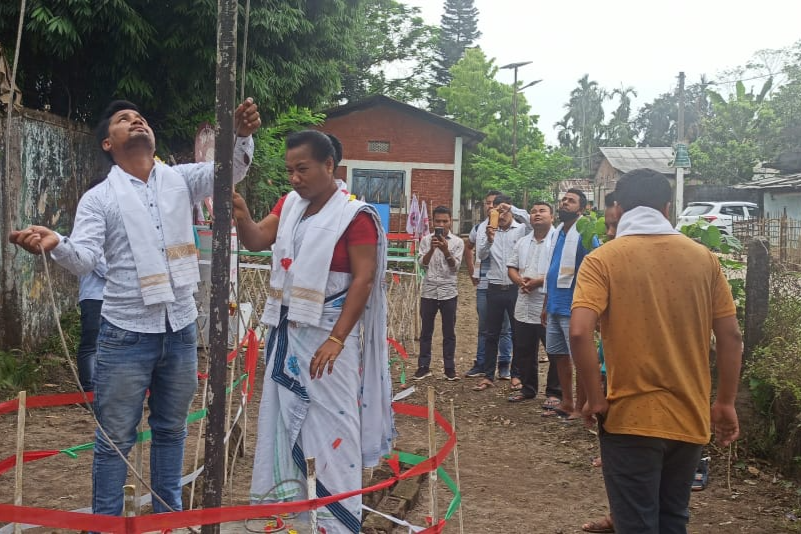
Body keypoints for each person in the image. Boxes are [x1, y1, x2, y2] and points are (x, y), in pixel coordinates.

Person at [8, 98, 261, 520]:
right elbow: (85, 258)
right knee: (114, 439)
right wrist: (58, 243)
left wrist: (242, 135)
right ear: (109, 143)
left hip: (180, 328)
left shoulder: (180, 180)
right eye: (124, 121)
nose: (136, 121)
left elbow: (229, 170)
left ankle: (167, 519)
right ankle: (105, 525)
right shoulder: (99, 198)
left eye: (140, 117)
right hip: (125, 333)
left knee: (171, 431)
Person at [236, 130, 393, 534]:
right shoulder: (289, 206)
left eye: (302, 169)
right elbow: (256, 239)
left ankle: (335, 524)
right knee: (281, 424)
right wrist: (240, 214)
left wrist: (337, 338)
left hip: (329, 340)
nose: (294, 179)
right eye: (289, 170)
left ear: (329, 165)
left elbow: (363, 279)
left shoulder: (355, 217)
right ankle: (289, 520)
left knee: (332, 430)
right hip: (287, 331)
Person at [571, 168, 742, 534]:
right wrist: (725, 402)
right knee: (673, 519)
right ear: (668, 206)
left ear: (617, 208)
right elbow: (731, 337)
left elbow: (579, 332)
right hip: (689, 417)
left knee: (635, 523)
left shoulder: (603, 260)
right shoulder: (704, 259)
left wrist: (594, 398)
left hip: (629, 417)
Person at [541, 188, 598, 419]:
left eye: (571, 201)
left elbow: (595, 269)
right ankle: (567, 401)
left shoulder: (586, 233)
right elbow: (551, 269)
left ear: (582, 209)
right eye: (563, 199)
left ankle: (581, 405)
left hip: (574, 305)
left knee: (579, 358)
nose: (565, 203)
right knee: (558, 355)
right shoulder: (557, 233)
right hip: (554, 302)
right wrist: (546, 303)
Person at [473, 194, 529, 391]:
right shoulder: (486, 228)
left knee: (517, 334)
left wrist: (514, 209)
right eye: (496, 210)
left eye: (503, 210)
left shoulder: (521, 229)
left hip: (516, 289)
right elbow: (480, 254)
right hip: (494, 287)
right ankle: (488, 375)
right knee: (491, 334)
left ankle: (516, 375)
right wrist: (489, 238)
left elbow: (534, 224)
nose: (500, 214)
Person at [505, 201, 555, 402]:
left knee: (553, 350)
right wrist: (520, 281)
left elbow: (560, 271)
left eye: (542, 211)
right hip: (524, 303)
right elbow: (511, 267)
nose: (537, 214)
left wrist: (538, 282)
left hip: (547, 304)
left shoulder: (557, 241)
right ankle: (528, 388)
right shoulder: (523, 241)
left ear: (552, 217)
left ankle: (554, 393)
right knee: (525, 349)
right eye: (533, 211)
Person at [464, 190, 513, 378]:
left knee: (505, 328)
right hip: (484, 285)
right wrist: (471, 272)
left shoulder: (509, 227)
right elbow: (469, 248)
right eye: (488, 203)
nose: (490, 207)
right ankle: (482, 363)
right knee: (484, 327)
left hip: (503, 284)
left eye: (494, 203)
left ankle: (504, 364)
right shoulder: (479, 229)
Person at [413, 205, 464, 381]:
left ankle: (449, 368)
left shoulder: (457, 242)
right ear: (433, 222)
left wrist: (445, 250)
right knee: (426, 331)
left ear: (451, 221)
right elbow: (422, 263)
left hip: (449, 291)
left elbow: (455, 267)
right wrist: (433, 249)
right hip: (428, 291)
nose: (441, 224)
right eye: (438, 221)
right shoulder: (426, 240)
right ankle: (423, 366)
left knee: (449, 331)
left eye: (445, 221)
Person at [76, 256, 107, 393]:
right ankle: (89, 390)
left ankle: (104, 387)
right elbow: (105, 269)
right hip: (94, 297)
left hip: (112, 298)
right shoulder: (92, 240)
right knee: (91, 345)